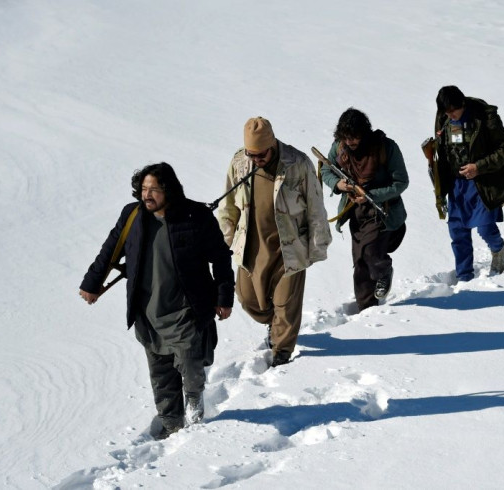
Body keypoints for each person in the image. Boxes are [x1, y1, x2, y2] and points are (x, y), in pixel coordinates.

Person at [79, 162, 234, 440]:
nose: (146, 195)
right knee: (161, 375)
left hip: (186, 308)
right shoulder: (132, 216)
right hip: (148, 312)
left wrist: (224, 297)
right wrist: (92, 283)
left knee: (190, 365)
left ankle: (196, 407)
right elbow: (110, 250)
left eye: (153, 189)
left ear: (169, 190)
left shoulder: (194, 216)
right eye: (143, 189)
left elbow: (221, 257)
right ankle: (173, 425)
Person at [217, 117, 331, 367]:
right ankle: (275, 323)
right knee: (247, 300)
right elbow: (228, 208)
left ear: (272, 145)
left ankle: (282, 352)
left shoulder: (297, 164)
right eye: (251, 154)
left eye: (260, 155)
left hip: (289, 248)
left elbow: (315, 207)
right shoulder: (239, 162)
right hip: (251, 245)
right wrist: (223, 243)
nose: (256, 160)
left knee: (286, 303)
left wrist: (317, 246)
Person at [320, 108, 408, 312]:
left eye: (355, 137)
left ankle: (384, 272)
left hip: (382, 211)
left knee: (371, 252)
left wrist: (373, 195)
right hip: (355, 212)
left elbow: (401, 182)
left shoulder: (385, 148)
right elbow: (326, 168)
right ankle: (367, 309)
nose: (350, 142)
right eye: (346, 137)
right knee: (359, 261)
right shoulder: (339, 148)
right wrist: (339, 185)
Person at [433, 85, 504, 282]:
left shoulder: (485, 116)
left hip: (482, 183)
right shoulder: (443, 119)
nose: (450, 115)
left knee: (485, 226)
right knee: (458, 232)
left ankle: (498, 249)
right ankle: (464, 276)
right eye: (446, 112)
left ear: (462, 104)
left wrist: (478, 167)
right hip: (456, 185)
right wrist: (439, 187)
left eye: (453, 110)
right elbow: (441, 154)